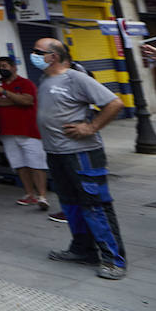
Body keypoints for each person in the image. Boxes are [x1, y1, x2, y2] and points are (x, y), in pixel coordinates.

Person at [32, 37, 126, 280]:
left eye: (37, 51)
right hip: (56, 153)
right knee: (70, 204)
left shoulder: (76, 77)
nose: (33, 55)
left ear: (52, 56)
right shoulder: (45, 79)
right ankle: (82, 250)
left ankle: (113, 260)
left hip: (81, 154)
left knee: (95, 205)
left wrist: (91, 127)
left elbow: (114, 103)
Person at [0, 56, 48, 209]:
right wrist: (16, 100)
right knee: (20, 165)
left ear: (14, 67)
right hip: (8, 132)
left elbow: (28, 101)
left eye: (5, 65)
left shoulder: (25, 83)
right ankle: (29, 194)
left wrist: (4, 93)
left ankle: (42, 196)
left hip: (28, 131)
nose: (2, 69)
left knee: (36, 165)